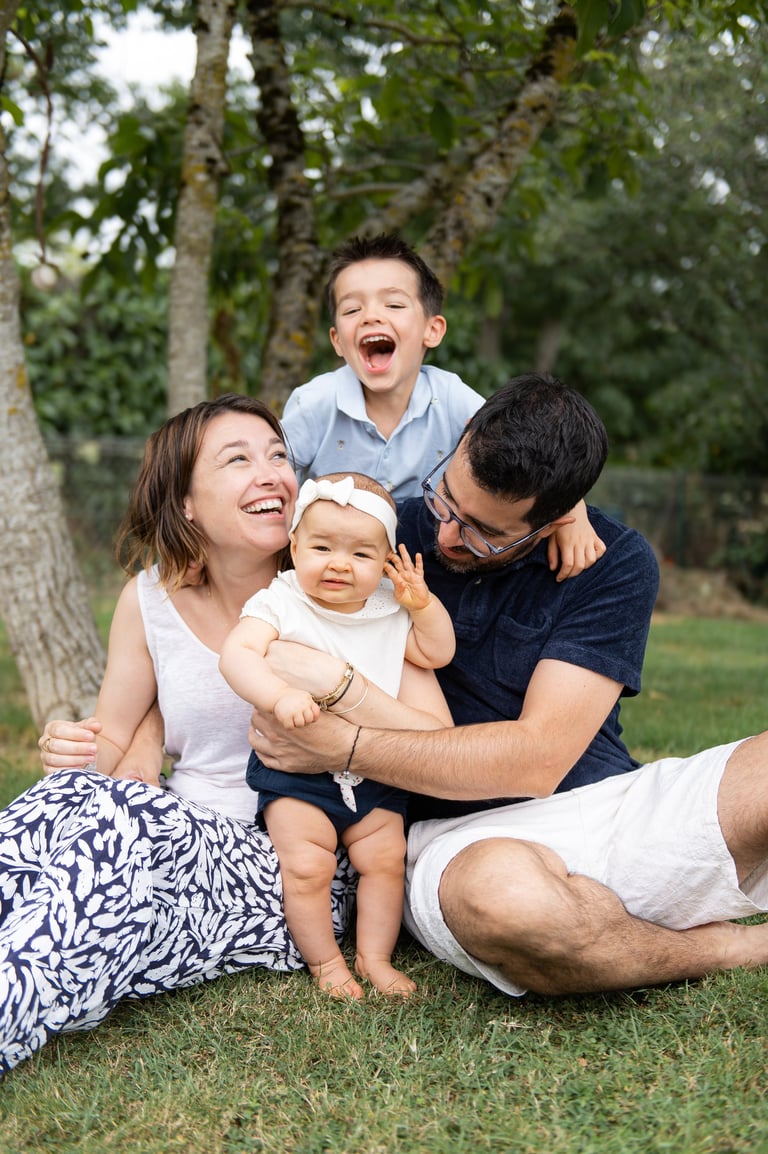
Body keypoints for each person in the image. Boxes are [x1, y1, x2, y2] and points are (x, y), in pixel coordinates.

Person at [247, 372, 768, 1000]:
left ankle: (612, 919)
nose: (443, 536)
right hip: (460, 843)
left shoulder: (613, 561)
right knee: (511, 904)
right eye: (446, 499)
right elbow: (271, 533)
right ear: (459, 442)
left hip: (605, 807)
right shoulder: (385, 532)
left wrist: (342, 745)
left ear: (552, 519)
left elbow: (537, 761)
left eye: (484, 533)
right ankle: (728, 946)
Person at [2, 394, 450, 1076]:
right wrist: (69, 745)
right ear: (186, 502)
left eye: (277, 455)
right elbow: (112, 744)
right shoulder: (149, 598)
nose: (270, 472)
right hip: (176, 829)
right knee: (57, 815)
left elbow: (439, 744)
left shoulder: (348, 598)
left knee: (114, 837)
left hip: (296, 858)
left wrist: (337, 689)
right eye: (238, 460)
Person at [219, 473, 455, 998]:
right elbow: (236, 656)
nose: (339, 564)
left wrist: (421, 606)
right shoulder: (279, 602)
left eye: (361, 555)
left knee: (385, 860)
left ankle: (375, 958)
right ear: (294, 545)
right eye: (322, 547)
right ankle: (326, 964)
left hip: (375, 770)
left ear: (386, 563)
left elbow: (436, 653)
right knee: (307, 866)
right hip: (296, 773)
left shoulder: (389, 611)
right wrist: (278, 696)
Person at [281, 233, 605, 580]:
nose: (370, 316)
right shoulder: (314, 401)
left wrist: (574, 510)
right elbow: (271, 473)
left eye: (393, 305)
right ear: (337, 341)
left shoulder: (449, 396)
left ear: (432, 331)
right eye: (351, 309)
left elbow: (522, 442)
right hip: (334, 566)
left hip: (416, 569)